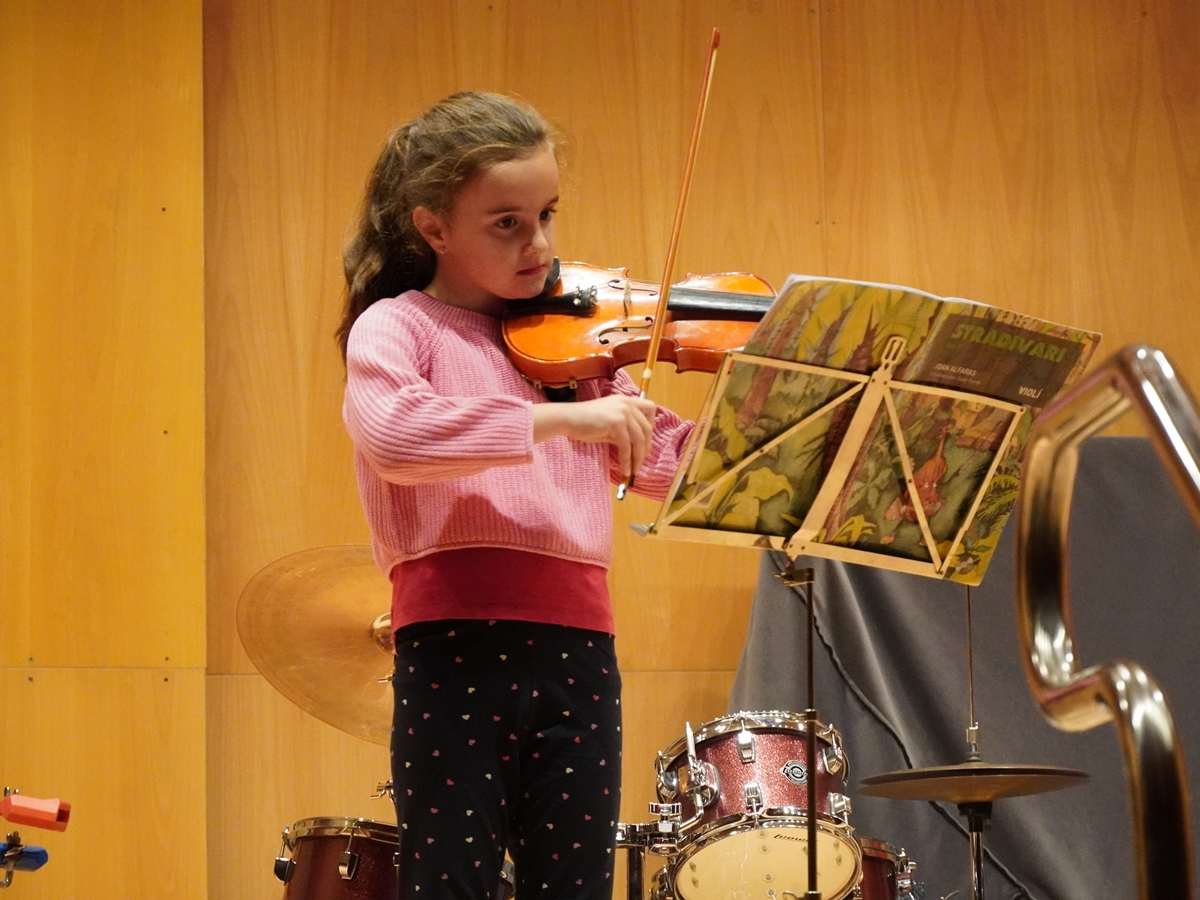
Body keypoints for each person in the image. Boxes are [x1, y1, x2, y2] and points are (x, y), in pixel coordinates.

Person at [338, 91, 693, 900]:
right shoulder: (399, 328)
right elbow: (397, 433)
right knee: (452, 886)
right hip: (455, 648)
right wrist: (560, 423)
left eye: (547, 214)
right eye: (507, 222)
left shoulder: (573, 346)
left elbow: (661, 451)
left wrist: (792, 428)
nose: (539, 245)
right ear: (433, 226)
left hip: (580, 652)